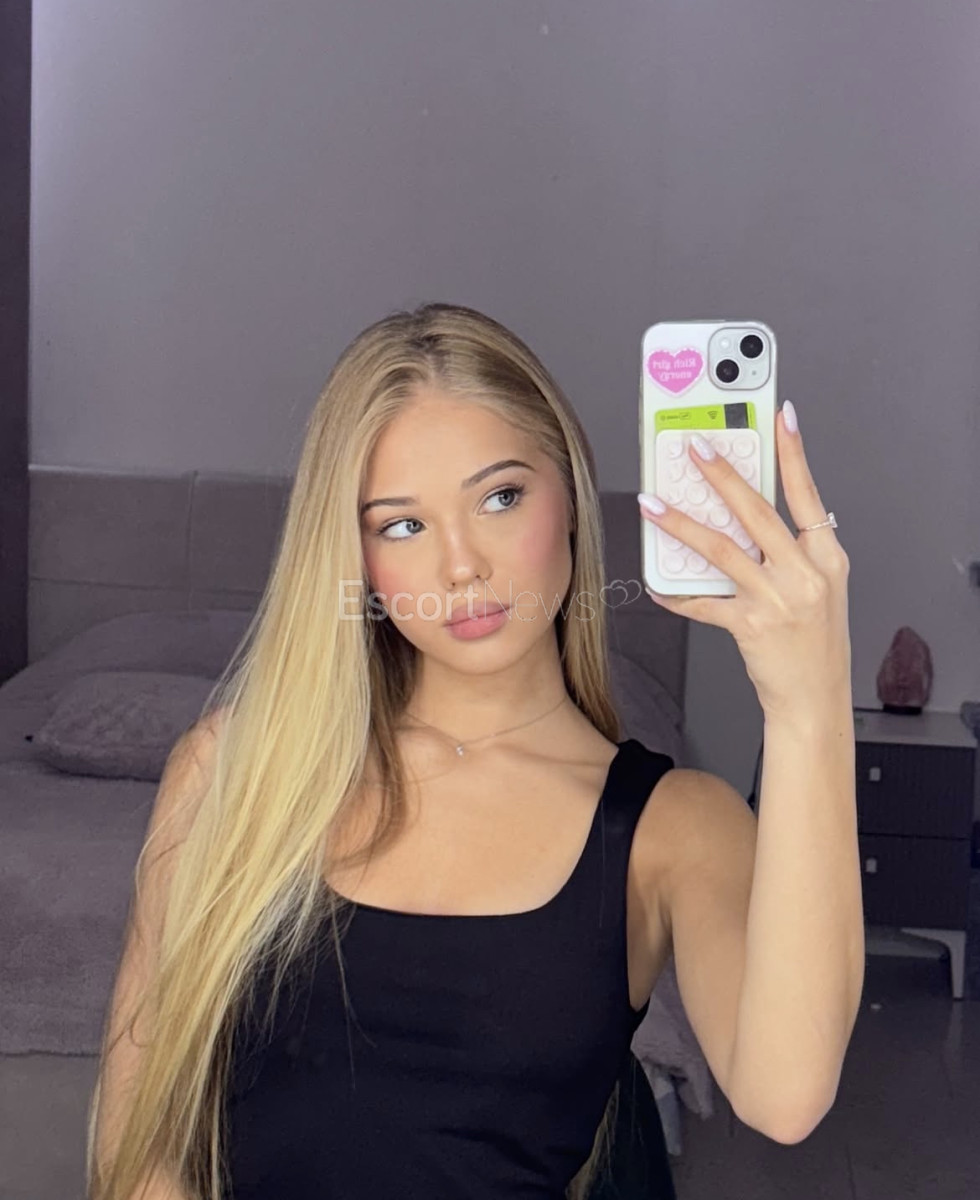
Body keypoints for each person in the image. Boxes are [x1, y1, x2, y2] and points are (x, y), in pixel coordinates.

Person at [86, 302, 689, 1200]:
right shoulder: (221, 773)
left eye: (500, 497)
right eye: (402, 525)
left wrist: (800, 687)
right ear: (355, 559)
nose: (461, 567)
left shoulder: (664, 823)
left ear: (570, 494)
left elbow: (786, 1092)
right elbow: (140, 1140)